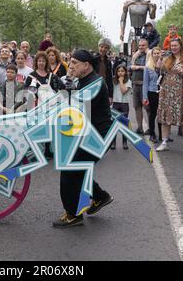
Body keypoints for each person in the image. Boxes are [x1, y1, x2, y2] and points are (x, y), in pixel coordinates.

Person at [53, 49, 113, 228]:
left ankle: (72, 215)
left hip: (97, 137)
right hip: (90, 134)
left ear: (86, 65)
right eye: (70, 62)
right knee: (79, 170)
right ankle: (101, 197)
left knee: (69, 167)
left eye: (74, 63)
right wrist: (63, 88)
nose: (70, 66)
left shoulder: (95, 83)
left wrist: (64, 91)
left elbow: (77, 109)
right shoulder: (85, 80)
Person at [156, 38, 183, 155]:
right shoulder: (167, 58)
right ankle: (164, 142)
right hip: (167, 91)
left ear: (181, 46)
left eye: (175, 45)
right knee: (165, 117)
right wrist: (159, 58)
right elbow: (158, 68)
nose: (173, 47)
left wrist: (182, 73)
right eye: (172, 46)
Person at [130, 38, 150, 134]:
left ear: (147, 46)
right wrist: (134, 59)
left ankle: (150, 128)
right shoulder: (136, 56)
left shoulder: (150, 55)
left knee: (147, 108)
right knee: (137, 107)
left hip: (145, 86)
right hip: (135, 85)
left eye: (143, 45)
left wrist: (138, 67)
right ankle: (140, 128)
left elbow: (150, 67)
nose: (141, 47)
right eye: (140, 45)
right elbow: (130, 67)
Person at [143, 47, 163, 143]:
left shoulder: (163, 66)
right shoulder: (148, 67)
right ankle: (152, 134)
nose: (156, 55)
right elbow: (145, 83)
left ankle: (162, 135)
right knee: (153, 114)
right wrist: (145, 97)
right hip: (152, 92)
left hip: (162, 92)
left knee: (161, 114)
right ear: (152, 55)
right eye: (154, 53)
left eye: (158, 53)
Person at [110, 64, 132, 150]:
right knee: (114, 123)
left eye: (122, 71)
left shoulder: (128, 81)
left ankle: (124, 142)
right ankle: (113, 142)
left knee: (124, 124)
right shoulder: (113, 81)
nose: (120, 73)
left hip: (124, 104)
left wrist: (121, 81)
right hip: (115, 103)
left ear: (125, 72)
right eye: (118, 71)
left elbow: (123, 91)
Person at [93, 38, 114, 104]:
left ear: (108, 49)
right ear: (98, 46)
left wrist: (110, 95)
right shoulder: (93, 59)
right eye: (101, 47)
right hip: (93, 87)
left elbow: (109, 78)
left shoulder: (108, 61)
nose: (103, 49)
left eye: (106, 47)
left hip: (103, 88)